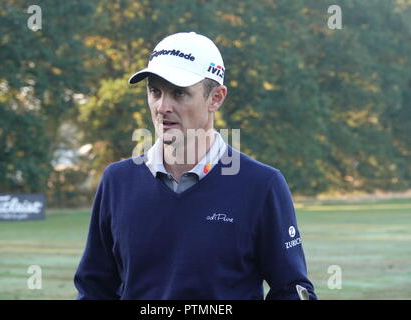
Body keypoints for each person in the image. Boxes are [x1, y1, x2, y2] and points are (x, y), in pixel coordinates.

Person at [74, 32, 317, 300]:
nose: (162, 107)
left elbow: (292, 291)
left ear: (216, 98)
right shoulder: (117, 181)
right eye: (155, 91)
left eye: (179, 93)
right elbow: (94, 289)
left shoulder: (261, 185)